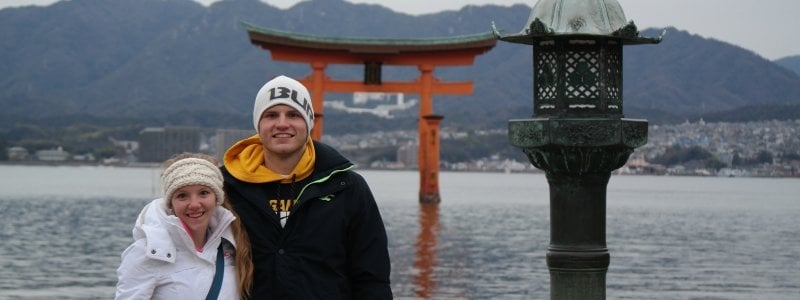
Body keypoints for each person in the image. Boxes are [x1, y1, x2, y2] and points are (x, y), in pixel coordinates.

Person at [221, 75, 392, 299]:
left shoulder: (346, 187)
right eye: (271, 115)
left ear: (309, 123)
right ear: (258, 124)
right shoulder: (227, 186)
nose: (282, 123)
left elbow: (372, 276)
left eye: (293, 115)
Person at [115, 153, 253, 299]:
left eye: (204, 193)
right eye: (182, 196)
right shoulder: (147, 252)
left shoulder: (232, 246)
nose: (194, 204)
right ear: (170, 203)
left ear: (217, 198)